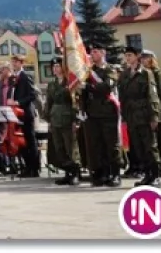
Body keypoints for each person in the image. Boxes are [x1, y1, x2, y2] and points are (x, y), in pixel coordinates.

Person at [119, 47, 161, 188]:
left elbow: (152, 95)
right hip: (131, 116)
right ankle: (146, 175)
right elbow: (122, 97)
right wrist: (124, 115)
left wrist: (154, 116)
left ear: (137, 56)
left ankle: (155, 176)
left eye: (130, 55)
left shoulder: (146, 74)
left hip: (144, 114)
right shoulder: (125, 74)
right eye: (126, 56)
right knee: (138, 147)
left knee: (150, 146)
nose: (128, 58)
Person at [82, 44, 122, 187]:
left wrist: (89, 87)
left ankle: (115, 173)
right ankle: (102, 173)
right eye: (91, 52)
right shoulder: (88, 71)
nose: (92, 54)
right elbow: (84, 93)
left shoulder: (110, 69)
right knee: (97, 145)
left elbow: (106, 87)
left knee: (111, 144)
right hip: (92, 113)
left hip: (107, 112)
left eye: (96, 51)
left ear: (103, 52)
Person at [45, 58, 81, 186]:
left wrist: (75, 120)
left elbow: (75, 102)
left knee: (71, 147)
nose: (55, 69)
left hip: (67, 118)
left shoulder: (70, 83)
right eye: (53, 66)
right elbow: (48, 103)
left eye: (58, 66)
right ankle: (67, 172)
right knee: (59, 148)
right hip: (55, 119)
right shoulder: (52, 84)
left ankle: (75, 173)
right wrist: (48, 120)